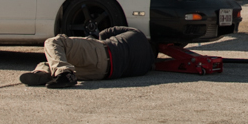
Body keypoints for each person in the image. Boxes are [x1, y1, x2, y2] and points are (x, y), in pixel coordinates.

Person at [19, 27, 154, 89]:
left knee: (54, 43)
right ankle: (45, 73)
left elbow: (103, 34)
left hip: (104, 51)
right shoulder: (145, 67)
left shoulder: (137, 34)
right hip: (103, 73)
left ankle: (61, 72)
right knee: (55, 59)